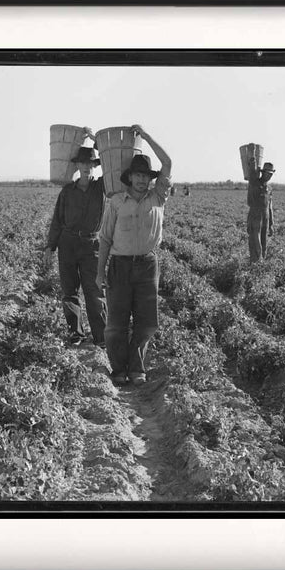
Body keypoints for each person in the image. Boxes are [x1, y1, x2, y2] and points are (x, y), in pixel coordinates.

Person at [96, 126, 173, 387]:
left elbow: (168, 162)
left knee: (147, 321)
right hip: (119, 265)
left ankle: (136, 367)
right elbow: (105, 238)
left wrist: (147, 137)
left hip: (147, 265)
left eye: (145, 176)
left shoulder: (158, 197)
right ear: (130, 177)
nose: (142, 180)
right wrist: (99, 273)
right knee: (116, 322)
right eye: (138, 175)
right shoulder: (117, 201)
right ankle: (118, 369)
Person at [44, 144, 106, 347]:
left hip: (92, 245)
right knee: (69, 291)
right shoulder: (67, 190)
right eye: (83, 163)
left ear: (95, 165)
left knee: (94, 291)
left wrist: (97, 142)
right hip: (68, 243)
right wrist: (50, 246)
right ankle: (76, 334)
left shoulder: (102, 187)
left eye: (90, 163)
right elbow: (57, 220)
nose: (87, 166)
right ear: (77, 165)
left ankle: (101, 336)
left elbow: (115, 165)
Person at [246, 161, 275, 262]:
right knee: (255, 242)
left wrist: (271, 224)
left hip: (265, 217)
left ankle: (261, 264)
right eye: (268, 173)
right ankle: (254, 264)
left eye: (271, 174)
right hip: (255, 216)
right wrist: (252, 161)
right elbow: (251, 175)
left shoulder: (269, 188)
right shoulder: (255, 183)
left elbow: (270, 207)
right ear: (263, 172)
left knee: (264, 242)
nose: (270, 176)